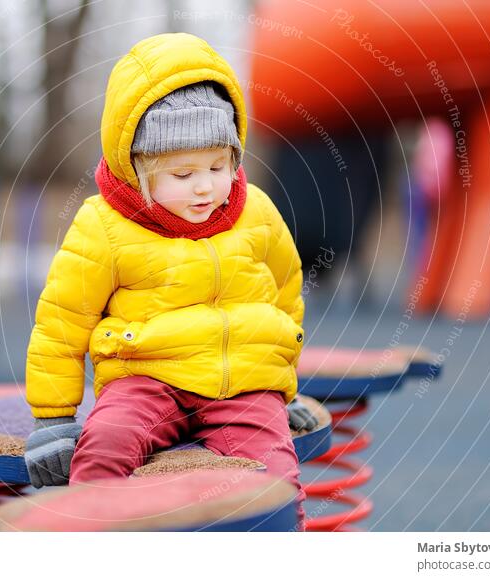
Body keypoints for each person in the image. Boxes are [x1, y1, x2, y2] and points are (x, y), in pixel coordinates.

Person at [23, 32, 316, 526]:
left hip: (240, 383)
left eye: (218, 166)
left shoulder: (257, 212)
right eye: (182, 175)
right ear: (136, 168)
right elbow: (62, 320)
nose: (205, 186)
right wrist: (52, 419)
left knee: (275, 478)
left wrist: (282, 386)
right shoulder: (104, 225)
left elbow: (285, 294)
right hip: (144, 378)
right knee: (103, 448)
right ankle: (89, 541)